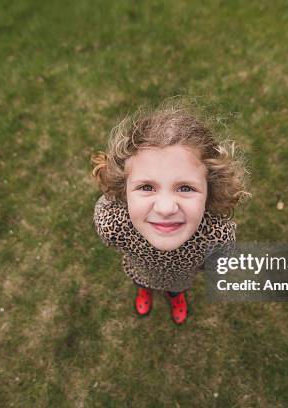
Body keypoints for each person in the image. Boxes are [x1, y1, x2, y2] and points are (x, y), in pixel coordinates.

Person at [91, 100, 249, 324]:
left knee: (175, 288)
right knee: (142, 280)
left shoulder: (217, 236)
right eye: (147, 187)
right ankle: (144, 290)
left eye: (185, 188)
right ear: (123, 189)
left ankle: (176, 297)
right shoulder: (112, 223)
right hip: (140, 270)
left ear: (211, 191)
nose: (165, 209)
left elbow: (213, 262)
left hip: (180, 279)